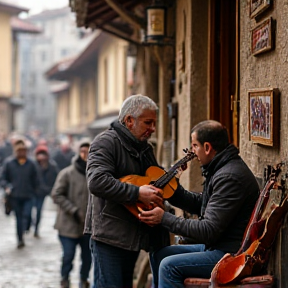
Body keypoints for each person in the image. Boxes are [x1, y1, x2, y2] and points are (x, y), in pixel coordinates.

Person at [138, 120, 260, 288]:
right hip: (217, 246)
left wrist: (163, 218)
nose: (192, 152)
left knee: (169, 266)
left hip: (230, 254)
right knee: (159, 254)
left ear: (208, 147)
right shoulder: (221, 168)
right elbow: (203, 203)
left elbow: (207, 230)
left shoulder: (229, 177)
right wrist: (174, 192)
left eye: (195, 146)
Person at [85, 94, 170, 288]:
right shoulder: (105, 142)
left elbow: (153, 182)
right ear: (129, 120)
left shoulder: (144, 147)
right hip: (109, 236)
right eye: (148, 122)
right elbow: (96, 181)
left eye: (154, 123)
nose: (153, 129)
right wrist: (137, 193)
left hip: (130, 234)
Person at [52, 141, 92, 288]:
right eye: (83, 151)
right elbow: (57, 194)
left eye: (88, 152)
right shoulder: (67, 173)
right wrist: (73, 210)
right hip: (68, 224)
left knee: (87, 257)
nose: (85, 155)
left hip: (88, 226)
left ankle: (83, 279)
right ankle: (65, 277)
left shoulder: (96, 174)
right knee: (68, 255)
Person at [0, 139, 38, 248]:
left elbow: (36, 179)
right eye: (19, 151)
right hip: (15, 196)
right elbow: (3, 178)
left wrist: (35, 190)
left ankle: (27, 228)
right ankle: (20, 239)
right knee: (19, 218)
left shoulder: (31, 163)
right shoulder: (9, 163)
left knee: (27, 214)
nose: (21, 153)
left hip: (28, 195)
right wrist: (7, 187)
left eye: (23, 151)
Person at [31, 145, 59, 237]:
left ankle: (36, 228)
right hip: (32, 191)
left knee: (38, 210)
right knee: (28, 211)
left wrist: (51, 189)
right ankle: (29, 224)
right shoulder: (33, 164)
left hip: (42, 192)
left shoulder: (51, 166)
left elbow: (56, 178)